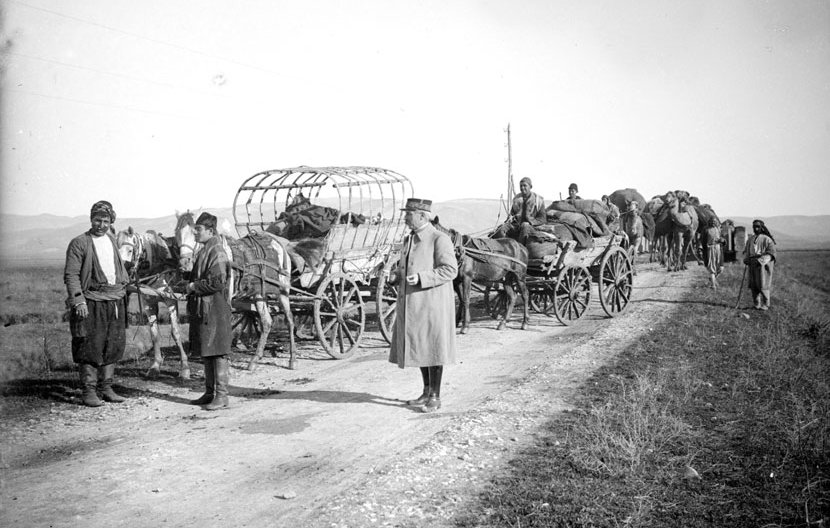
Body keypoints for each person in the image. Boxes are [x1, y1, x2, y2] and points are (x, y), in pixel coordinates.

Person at [388, 198, 458, 413]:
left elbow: (450, 270)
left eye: (408, 213)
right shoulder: (410, 239)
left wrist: (421, 278)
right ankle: (426, 392)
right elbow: (406, 266)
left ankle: (435, 397)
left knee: (434, 349)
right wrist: (396, 275)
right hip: (414, 307)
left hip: (432, 306)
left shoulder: (439, 239)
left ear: (421, 215)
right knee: (420, 347)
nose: (405, 217)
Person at [64, 200, 130, 407]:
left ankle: (106, 387)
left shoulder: (111, 240)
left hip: (115, 300)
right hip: (91, 301)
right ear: (91, 219)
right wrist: (78, 300)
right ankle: (88, 391)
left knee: (112, 344)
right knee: (89, 346)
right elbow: (71, 274)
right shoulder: (79, 243)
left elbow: (118, 270)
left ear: (111, 222)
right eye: (97, 220)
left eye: (105, 221)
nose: (101, 224)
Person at [186, 212, 233, 410]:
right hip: (206, 308)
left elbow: (217, 282)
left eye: (198, 229)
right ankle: (209, 393)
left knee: (218, 352)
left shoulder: (216, 251)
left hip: (216, 307)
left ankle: (222, 396)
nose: (195, 233)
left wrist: (193, 287)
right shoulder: (206, 249)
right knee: (208, 351)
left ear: (210, 231)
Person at [492, 177, 546, 244]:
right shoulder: (517, 199)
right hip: (517, 226)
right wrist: (510, 218)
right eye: (521, 186)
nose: (522, 188)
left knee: (525, 225)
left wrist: (531, 222)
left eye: (525, 185)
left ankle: (520, 248)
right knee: (502, 228)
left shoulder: (538, 200)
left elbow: (542, 219)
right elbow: (512, 214)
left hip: (531, 227)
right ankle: (506, 246)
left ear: (530, 186)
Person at [743, 219, 776, 310]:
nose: (755, 228)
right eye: (754, 227)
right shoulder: (751, 239)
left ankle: (766, 304)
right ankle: (756, 303)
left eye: (757, 227)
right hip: (752, 264)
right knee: (754, 285)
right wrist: (746, 259)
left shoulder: (767, 239)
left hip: (762, 265)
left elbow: (771, 253)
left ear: (761, 227)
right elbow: (747, 251)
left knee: (763, 284)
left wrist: (761, 261)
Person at [703, 217, 723, 290]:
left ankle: (712, 278)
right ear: (709, 222)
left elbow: (722, 239)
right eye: (712, 221)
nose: (713, 223)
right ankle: (713, 285)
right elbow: (703, 241)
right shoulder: (706, 230)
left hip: (718, 248)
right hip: (710, 249)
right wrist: (704, 251)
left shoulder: (718, 229)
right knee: (712, 268)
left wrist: (722, 241)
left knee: (721, 268)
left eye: (715, 221)